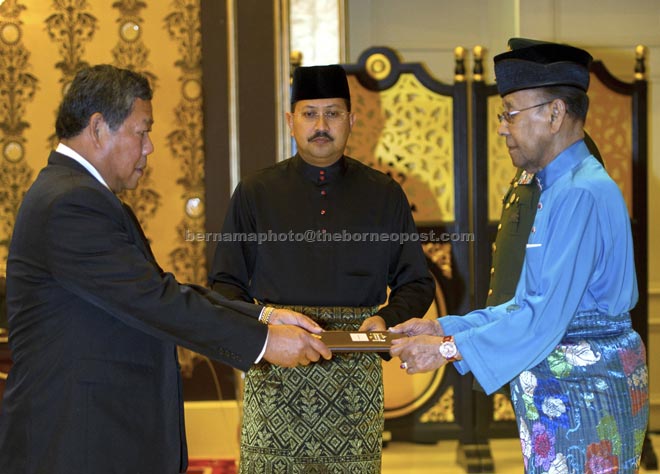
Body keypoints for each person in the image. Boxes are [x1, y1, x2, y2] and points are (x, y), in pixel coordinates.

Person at [0, 64, 332, 474]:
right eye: (142, 131)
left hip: (96, 435)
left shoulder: (74, 194)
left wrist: (263, 314)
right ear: (99, 127)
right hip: (79, 440)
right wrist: (264, 342)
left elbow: (156, 289)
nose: (149, 147)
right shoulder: (70, 203)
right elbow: (155, 301)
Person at [390, 38, 649, 473]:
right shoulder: (558, 187)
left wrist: (446, 350)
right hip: (567, 393)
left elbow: (545, 318)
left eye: (510, 113)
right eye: (500, 114)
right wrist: (442, 326)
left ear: (554, 113)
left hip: (586, 398)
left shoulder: (580, 192)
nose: (502, 128)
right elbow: (526, 305)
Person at [208, 64, 435, 472]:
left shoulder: (383, 193)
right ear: (290, 121)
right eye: (310, 113)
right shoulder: (255, 192)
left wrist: (385, 319)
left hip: (355, 375)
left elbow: (416, 282)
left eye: (332, 113)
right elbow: (224, 284)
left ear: (351, 121)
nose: (321, 125)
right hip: (277, 367)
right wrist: (268, 321)